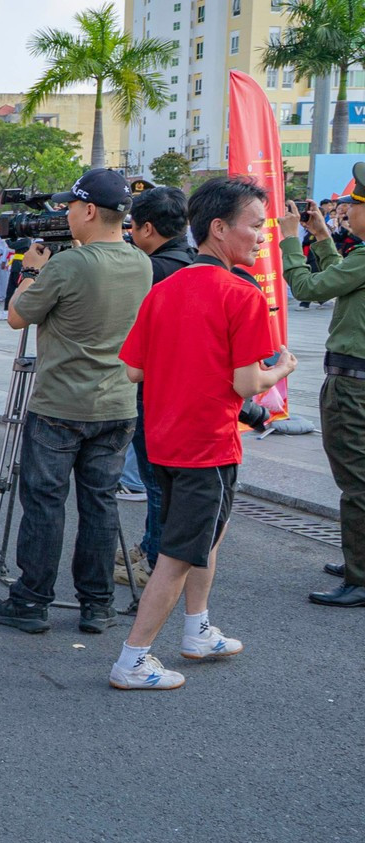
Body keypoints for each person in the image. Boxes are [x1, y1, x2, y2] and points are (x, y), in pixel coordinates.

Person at [109, 175, 293, 688]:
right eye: (255, 226)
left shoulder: (164, 287)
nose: (262, 237)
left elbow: (134, 371)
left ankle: (198, 628)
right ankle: (134, 659)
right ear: (218, 228)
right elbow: (247, 381)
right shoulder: (243, 293)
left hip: (163, 439)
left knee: (205, 537)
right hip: (208, 444)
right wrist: (282, 370)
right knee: (179, 554)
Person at [0, 169, 154, 636]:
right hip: (118, 405)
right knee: (100, 504)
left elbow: (18, 317)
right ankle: (96, 605)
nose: (65, 215)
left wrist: (32, 269)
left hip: (61, 404)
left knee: (45, 503)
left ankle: (32, 600)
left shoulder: (69, 265)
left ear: (90, 211)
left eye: (70, 208)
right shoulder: (140, 262)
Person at [280, 164, 365, 607]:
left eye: (356, 204)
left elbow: (309, 287)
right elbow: (341, 277)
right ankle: (359, 558)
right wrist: (322, 238)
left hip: (354, 383)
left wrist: (292, 238)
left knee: (356, 483)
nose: (347, 208)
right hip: (354, 376)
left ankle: (361, 577)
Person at [120, 186, 197, 589]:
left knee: (155, 482)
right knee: (163, 482)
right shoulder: (193, 263)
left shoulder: (152, 271)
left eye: (131, 226)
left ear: (148, 227)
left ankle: (155, 559)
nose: (129, 234)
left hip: (154, 390)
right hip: (183, 388)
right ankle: (154, 547)